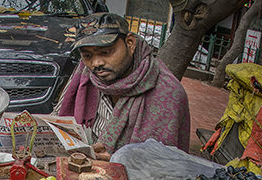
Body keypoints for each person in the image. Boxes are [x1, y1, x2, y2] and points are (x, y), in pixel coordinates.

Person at [58, 12, 190, 160]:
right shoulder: (85, 72)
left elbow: (164, 167)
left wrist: (118, 159)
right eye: (87, 55)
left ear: (130, 43)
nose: (96, 63)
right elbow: (59, 117)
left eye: (106, 52)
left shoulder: (167, 93)